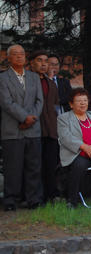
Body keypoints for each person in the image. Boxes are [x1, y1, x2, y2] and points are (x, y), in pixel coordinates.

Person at [0, 45, 44, 211]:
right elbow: (6, 102)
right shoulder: (3, 78)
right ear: (9, 58)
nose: (19, 57)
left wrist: (30, 118)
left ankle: (34, 199)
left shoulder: (34, 77)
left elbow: (39, 101)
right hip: (12, 130)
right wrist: (24, 117)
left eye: (22, 54)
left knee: (33, 166)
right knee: (13, 167)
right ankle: (11, 200)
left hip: (33, 129)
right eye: (15, 54)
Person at [29, 50, 61, 203]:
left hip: (51, 130)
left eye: (46, 61)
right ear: (31, 63)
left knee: (51, 164)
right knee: (35, 165)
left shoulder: (51, 83)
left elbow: (56, 107)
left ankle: (52, 194)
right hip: (34, 129)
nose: (43, 64)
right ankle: (37, 196)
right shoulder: (29, 81)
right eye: (39, 60)